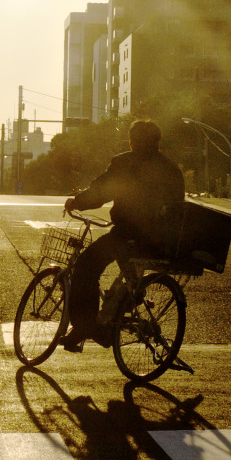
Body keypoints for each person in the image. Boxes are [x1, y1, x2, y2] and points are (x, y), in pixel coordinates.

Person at [60, 118, 185, 350]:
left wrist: (77, 202)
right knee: (129, 275)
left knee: (87, 266)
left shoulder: (125, 164)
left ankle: (85, 327)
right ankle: (128, 298)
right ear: (158, 142)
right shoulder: (171, 169)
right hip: (162, 242)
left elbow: (100, 192)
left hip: (128, 236)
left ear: (132, 142)